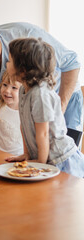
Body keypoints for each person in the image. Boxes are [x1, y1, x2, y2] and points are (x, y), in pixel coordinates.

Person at [5, 38, 84, 178]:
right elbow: (24, 125)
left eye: (10, 61)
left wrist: (40, 163)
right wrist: (27, 155)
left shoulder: (40, 95)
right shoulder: (23, 90)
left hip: (59, 159)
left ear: (23, 70)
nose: (6, 63)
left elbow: (43, 134)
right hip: (46, 158)